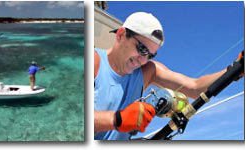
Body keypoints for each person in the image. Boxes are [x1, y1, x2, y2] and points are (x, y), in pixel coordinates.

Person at [93, 12, 231, 140]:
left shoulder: (148, 71)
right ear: (121, 35)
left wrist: (236, 68)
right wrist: (117, 119)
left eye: (150, 55)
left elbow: (195, 88)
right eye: (142, 49)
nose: (143, 60)